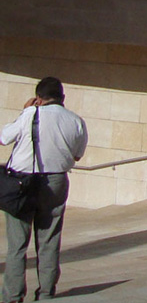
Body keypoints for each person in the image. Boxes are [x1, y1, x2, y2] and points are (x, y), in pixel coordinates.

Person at [1, 78, 86, 302]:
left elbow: (4, 137)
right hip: (56, 181)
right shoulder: (76, 121)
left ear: (38, 98)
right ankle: (47, 293)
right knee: (49, 238)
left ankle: (13, 295)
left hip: (22, 182)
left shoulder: (30, 114)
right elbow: (77, 156)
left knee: (17, 243)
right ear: (62, 98)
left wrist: (24, 112)